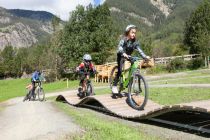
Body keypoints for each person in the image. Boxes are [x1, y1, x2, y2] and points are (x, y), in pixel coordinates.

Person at [112, 24, 150, 95]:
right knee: (120, 71)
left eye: (135, 33)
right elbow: (119, 47)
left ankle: (132, 83)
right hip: (121, 55)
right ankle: (114, 86)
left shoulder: (135, 42)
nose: (134, 34)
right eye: (132, 32)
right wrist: (123, 53)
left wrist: (145, 57)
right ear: (128, 32)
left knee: (135, 67)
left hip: (128, 56)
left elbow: (139, 50)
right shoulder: (124, 40)